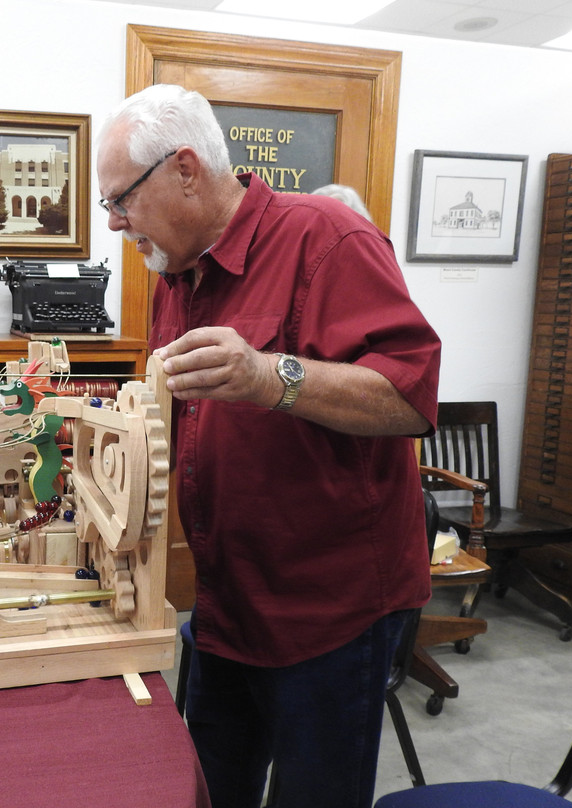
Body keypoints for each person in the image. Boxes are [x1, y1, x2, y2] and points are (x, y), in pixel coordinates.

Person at [97, 85, 441, 808]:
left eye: (121, 199)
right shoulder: (175, 270)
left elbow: (409, 397)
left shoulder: (329, 238)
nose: (116, 222)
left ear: (185, 167)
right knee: (210, 788)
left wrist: (267, 375)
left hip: (329, 612)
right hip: (226, 603)